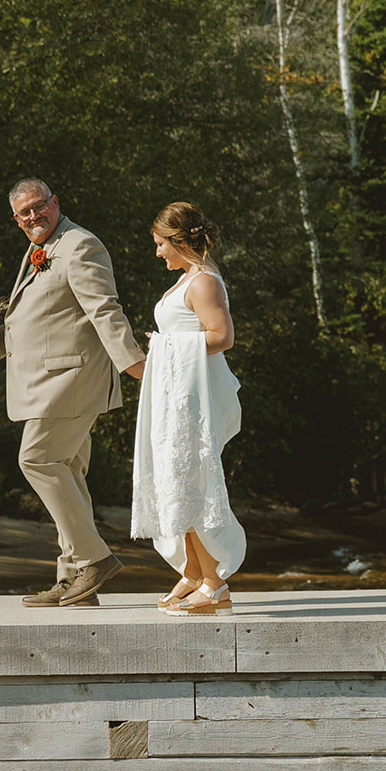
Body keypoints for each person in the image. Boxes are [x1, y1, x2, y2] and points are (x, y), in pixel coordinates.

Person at [0, 179, 147, 607]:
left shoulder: (80, 244)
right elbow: (44, 321)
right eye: (24, 213)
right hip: (50, 381)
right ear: (16, 221)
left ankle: (95, 558)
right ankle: (75, 581)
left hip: (70, 381)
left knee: (37, 458)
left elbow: (104, 309)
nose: (33, 217)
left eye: (39, 207)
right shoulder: (41, 249)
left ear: (56, 203)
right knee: (68, 470)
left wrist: (138, 366)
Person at [130, 202, 245, 616]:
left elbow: (222, 336)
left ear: (180, 242)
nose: (158, 252)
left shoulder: (204, 283)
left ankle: (215, 582)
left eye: (161, 244)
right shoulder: (187, 279)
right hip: (176, 396)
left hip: (193, 401)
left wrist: (163, 347)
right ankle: (195, 573)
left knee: (194, 483)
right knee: (178, 482)